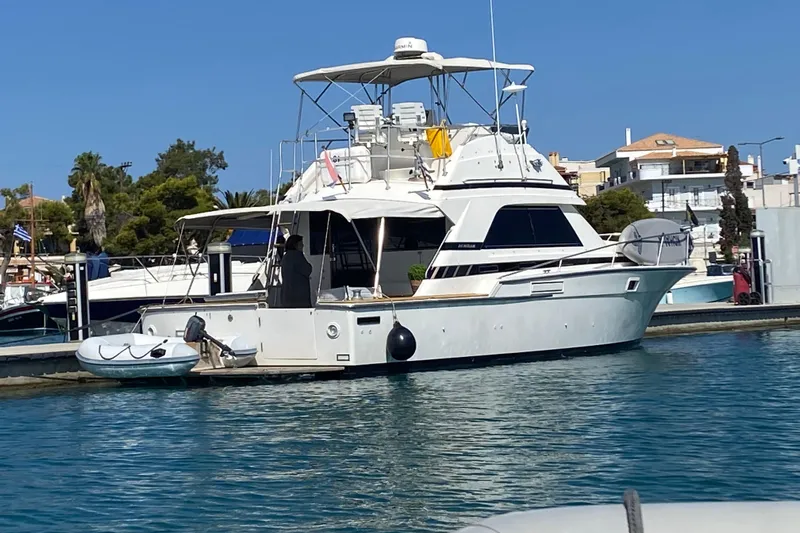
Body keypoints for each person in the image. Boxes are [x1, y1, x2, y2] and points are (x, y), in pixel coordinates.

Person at [280, 234, 313, 308]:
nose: (303, 245)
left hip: (287, 296)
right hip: (299, 298)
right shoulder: (297, 256)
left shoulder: (286, 256)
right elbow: (308, 270)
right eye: (301, 244)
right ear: (296, 245)